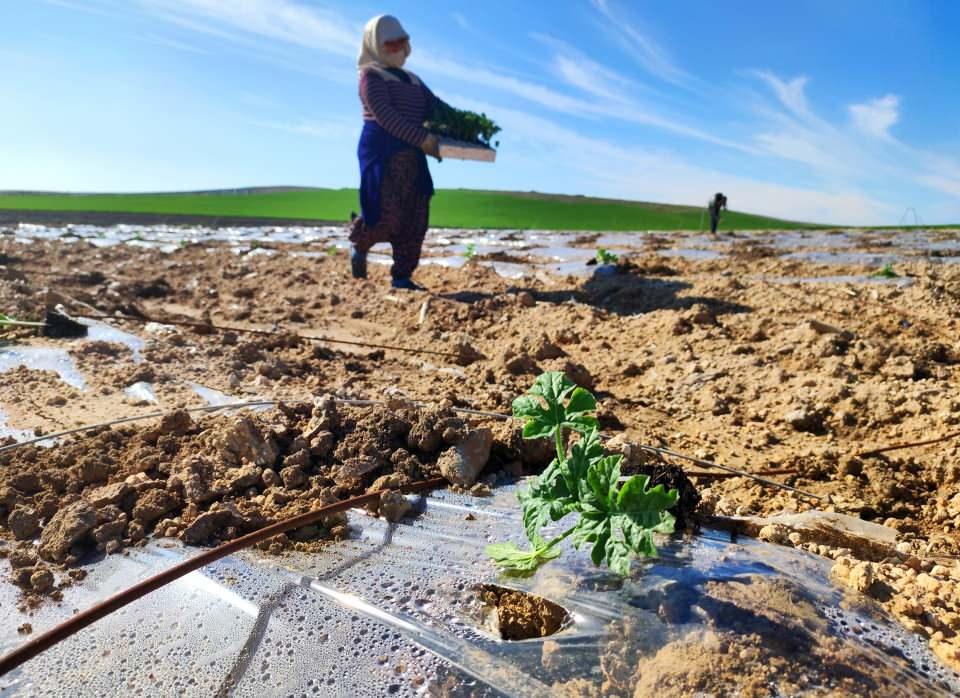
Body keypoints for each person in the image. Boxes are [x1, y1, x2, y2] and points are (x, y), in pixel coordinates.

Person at [348, 14, 451, 291]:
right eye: (391, 45)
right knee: (385, 212)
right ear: (375, 45)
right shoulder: (370, 77)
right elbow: (387, 117)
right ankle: (361, 244)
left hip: (413, 154)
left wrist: (463, 129)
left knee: (415, 214)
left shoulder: (413, 80)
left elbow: (437, 108)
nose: (399, 50)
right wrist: (424, 140)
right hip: (383, 152)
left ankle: (402, 276)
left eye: (402, 44)